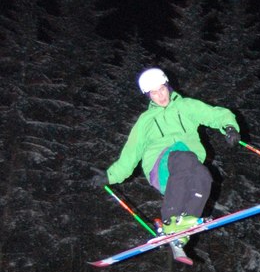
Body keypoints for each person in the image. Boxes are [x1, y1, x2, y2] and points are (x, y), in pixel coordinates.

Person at [96, 67, 240, 252]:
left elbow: (215, 114)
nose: (160, 96)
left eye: (162, 89)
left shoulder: (186, 106)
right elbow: (131, 152)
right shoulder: (145, 121)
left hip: (188, 169)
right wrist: (110, 176)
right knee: (181, 155)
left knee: (205, 177)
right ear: (149, 96)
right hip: (161, 167)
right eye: (154, 93)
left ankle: (183, 230)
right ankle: (170, 219)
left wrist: (229, 126)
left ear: (167, 86)